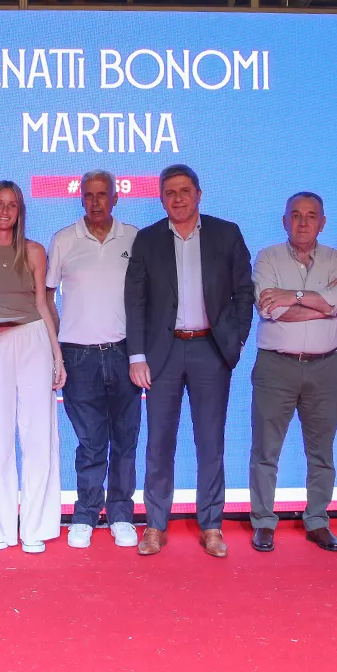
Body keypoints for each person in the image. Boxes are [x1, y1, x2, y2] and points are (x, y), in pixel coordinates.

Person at [125, 164, 254, 558]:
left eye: (184, 191)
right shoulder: (148, 239)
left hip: (209, 350)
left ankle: (211, 525)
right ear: (161, 199)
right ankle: (155, 525)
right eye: (170, 193)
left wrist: (235, 339)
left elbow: (244, 292)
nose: (178, 199)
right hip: (162, 354)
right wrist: (137, 355)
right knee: (158, 443)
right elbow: (135, 301)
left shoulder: (226, 233)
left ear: (199, 194)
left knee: (210, 443)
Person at [0, 180, 65, 553]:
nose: (5, 211)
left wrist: (57, 355)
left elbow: (43, 305)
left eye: (13, 205)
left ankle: (35, 526)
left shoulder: (35, 252)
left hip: (34, 342)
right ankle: (2, 526)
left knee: (39, 437)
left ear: (20, 211)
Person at [249, 192, 337, 553]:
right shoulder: (268, 257)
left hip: (325, 367)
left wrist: (291, 295)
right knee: (266, 450)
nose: (303, 222)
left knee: (322, 452)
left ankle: (317, 521)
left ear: (322, 223)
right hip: (276, 366)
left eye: (311, 216)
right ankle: (263, 521)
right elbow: (270, 308)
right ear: (285, 221)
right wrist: (324, 305)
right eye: (295, 215)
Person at [46, 170, 140, 550]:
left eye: (103, 194)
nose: (96, 201)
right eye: (89, 195)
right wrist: (58, 347)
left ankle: (121, 515)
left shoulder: (133, 238)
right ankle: (85, 514)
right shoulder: (64, 240)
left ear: (116, 198)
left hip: (124, 353)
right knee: (90, 443)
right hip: (78, 356)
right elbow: (46, 298)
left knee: (126, 440)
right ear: (81, 198)